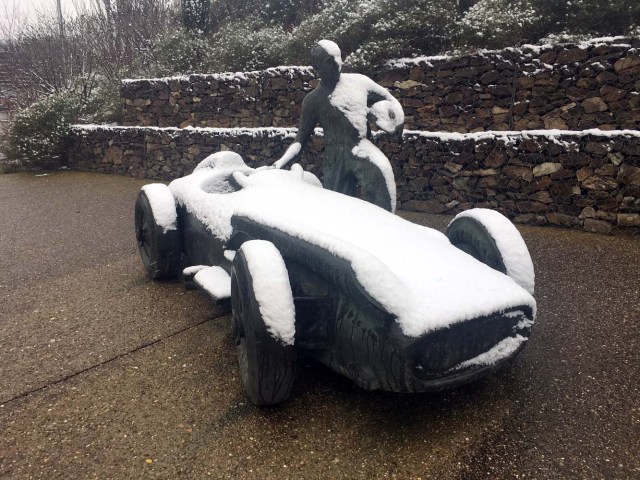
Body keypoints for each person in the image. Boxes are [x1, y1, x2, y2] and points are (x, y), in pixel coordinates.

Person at [273, 40, 404, 212]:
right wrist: (280, 163)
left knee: (381, 175)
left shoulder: (360, 83)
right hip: (334, 159)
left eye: (337, 58)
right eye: (329, 61)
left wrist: (396, 121)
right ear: (316, 68)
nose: (337, 63)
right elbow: (300, 140)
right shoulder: (313, 101)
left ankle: (387, 230)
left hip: (360, 147)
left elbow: (389, 99)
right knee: (337, 208)